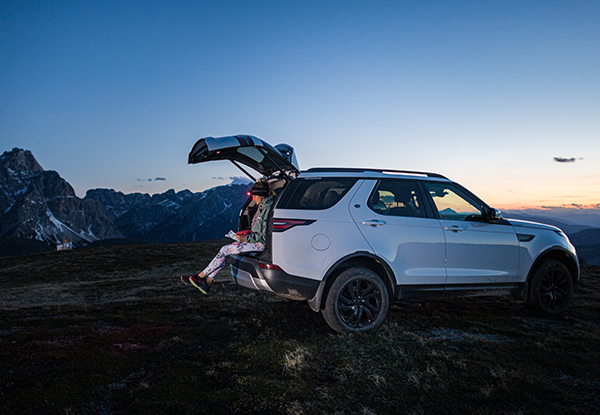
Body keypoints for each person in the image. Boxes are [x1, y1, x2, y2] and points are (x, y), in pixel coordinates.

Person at [180, 180, 274, 294]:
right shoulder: (261, 207)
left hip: (260, 245)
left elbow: (264, 236)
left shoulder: (267, 209)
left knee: (225, 250)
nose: (253, 199)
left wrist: (245, 239)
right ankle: (207, 281)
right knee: (224, 251)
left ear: (261, 194)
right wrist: (245, 234)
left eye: (254, 196)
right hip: (254, 241)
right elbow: (258, 230)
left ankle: (200, 277)